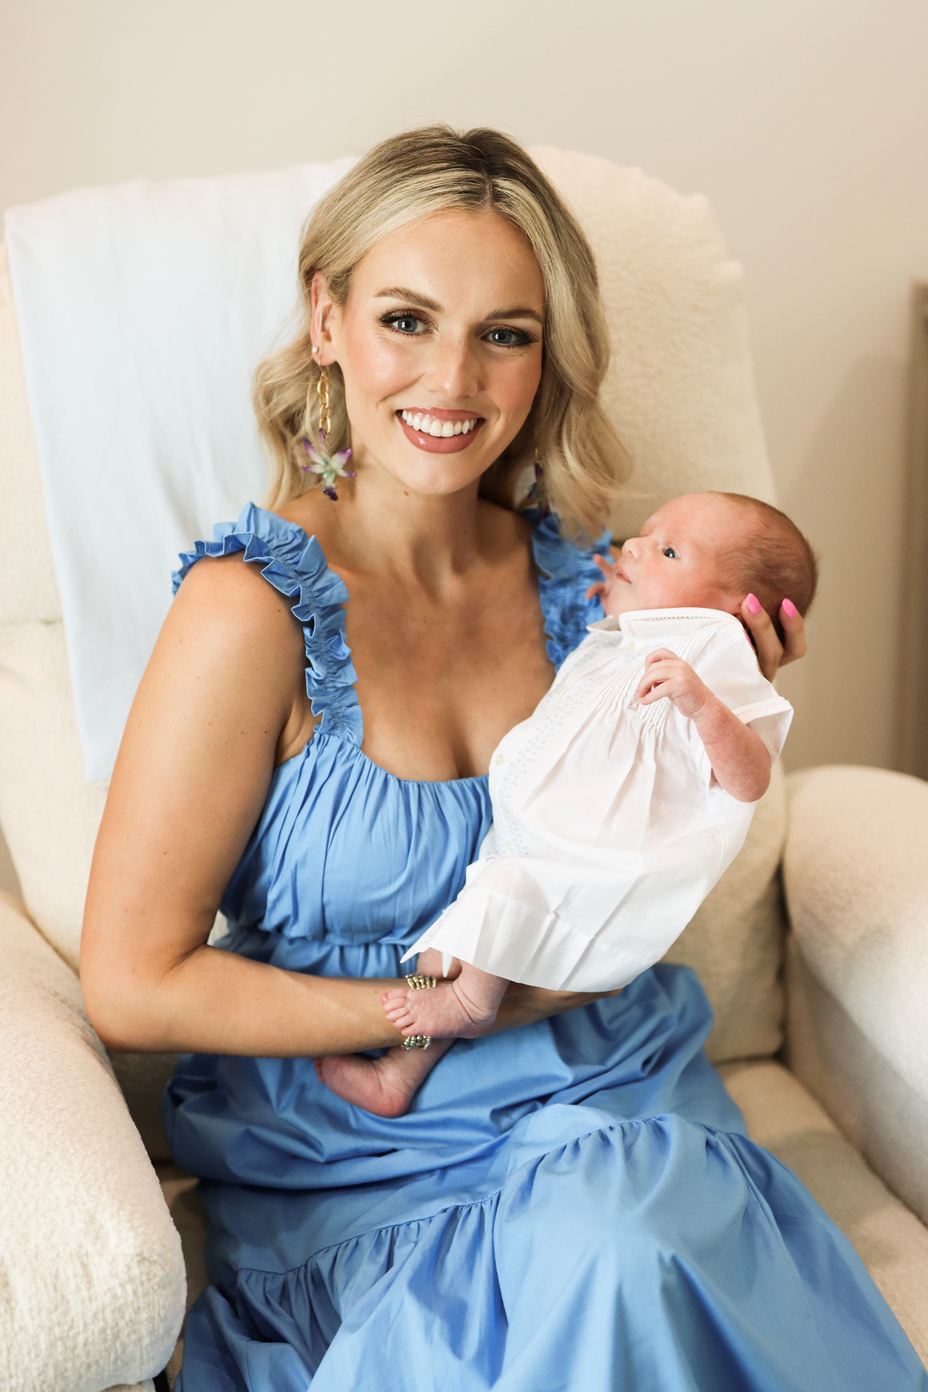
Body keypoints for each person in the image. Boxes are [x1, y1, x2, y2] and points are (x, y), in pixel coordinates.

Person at [78, 126, 927, 1391]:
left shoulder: (608, 592)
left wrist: (727, 709)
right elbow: (133, 983)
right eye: (406, 320)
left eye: (505, 334)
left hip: (607, 1104)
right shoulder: (247, 616)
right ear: (327, 320)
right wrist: (434, 1007)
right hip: (363, 1156)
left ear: (547, 357)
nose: (454, 379)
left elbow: (642, 860)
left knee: (618, 1244)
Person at [317, 491, 813, 1118]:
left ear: (735, 609)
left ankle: (470, 1008)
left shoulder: (716, 646)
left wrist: (705, 706)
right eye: (647, 532)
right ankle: (400, 1074)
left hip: (591, 858)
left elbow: (749, 779)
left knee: (494, 920)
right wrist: (622, 598)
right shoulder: (635, 631)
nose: (636, 546)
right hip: (532, 835)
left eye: (668, 551)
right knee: (456, 949)